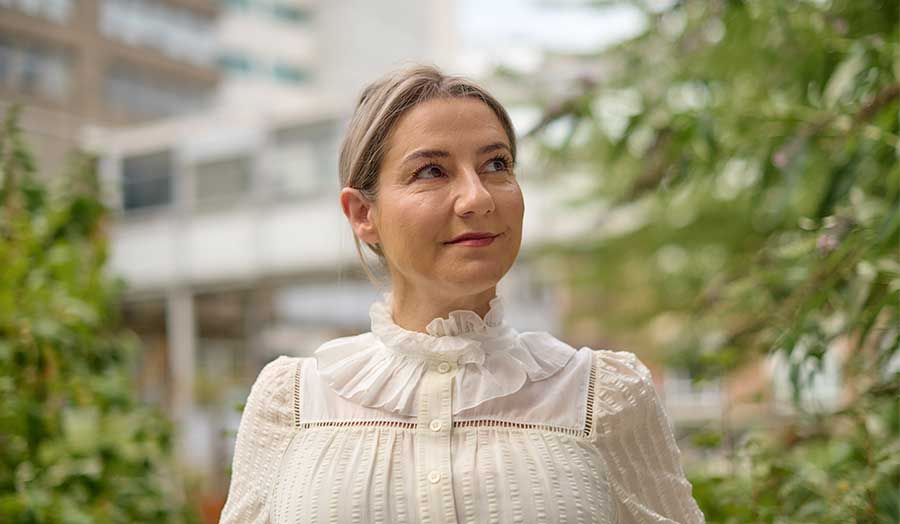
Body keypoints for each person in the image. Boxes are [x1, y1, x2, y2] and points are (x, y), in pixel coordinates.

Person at [219, 64, 705, 524]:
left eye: (496, 164)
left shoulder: (605, 397)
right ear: (363, 215)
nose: (478, 197)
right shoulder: (294, 402)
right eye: (431, 171)